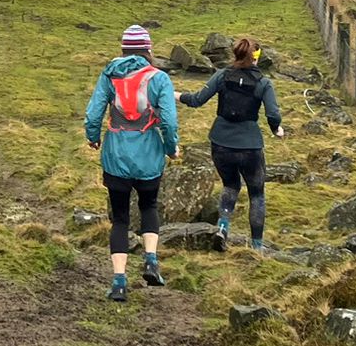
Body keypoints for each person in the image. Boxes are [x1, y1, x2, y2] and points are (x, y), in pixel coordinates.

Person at [83, 24, 179, 302]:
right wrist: (171, 148)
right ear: (148, 49)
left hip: (116, 156)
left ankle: (119, 283)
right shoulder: (159, 78)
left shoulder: (109, 74)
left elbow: (93, 114)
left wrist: (93, 138)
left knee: (120, 218)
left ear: (123, 49)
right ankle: (151, 260)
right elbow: (169, 122)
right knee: (149, 205)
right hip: (149, 155)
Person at [180, 35, 282, 251]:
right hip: (250, 146)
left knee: (230, 185)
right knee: (257, 193)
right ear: (256, 58)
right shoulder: (264, 83)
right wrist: (277, 129)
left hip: (221, 143)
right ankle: (256, 246)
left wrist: (176, 95)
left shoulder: (222, 76)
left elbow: (198, 99)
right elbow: (273, 114)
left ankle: (223, 228)